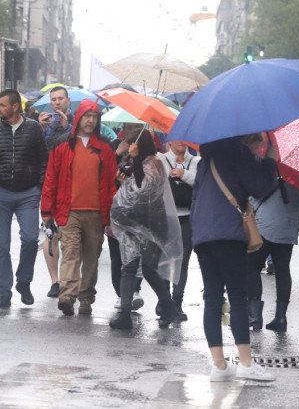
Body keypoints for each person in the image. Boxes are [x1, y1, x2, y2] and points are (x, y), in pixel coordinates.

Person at [191, 133, 279, 383]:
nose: (259, 146)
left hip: (203, 236)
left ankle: (219, 366)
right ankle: (246, 363)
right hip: (229, 233)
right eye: (258, 142)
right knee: (238, 298)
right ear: (247, 138)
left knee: (212, 298)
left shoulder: (205, 160)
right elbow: (260, 188)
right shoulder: (237, 153)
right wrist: (269, 161)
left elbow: (196, 198)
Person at [41, 99, 115, 316]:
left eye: (95, 117)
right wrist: (47, 211)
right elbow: (51, 179)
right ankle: (67, 295)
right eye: (87, 116)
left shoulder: (105, 148)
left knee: (91, 258)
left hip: (97, 213)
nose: (91, 121)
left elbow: (111, 183)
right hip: (69, 211)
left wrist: (111, 215)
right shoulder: (62, 146)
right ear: (80, 117)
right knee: (70, 253)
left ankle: (86, 298)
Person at [0, 88, 49, 308]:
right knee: (1, 244)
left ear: (15, 107)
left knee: (30, 239)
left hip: (28, 193)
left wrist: (38, 186)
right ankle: (4, 291)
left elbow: (43, 159)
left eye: (2, 105)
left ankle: (24, 281)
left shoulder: (34, 128)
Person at [109, 128, 183, 329]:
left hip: (152, 224)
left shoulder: (154, 163)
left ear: (139, 144)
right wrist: (123, 165)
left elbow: (144, 190)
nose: (128, 146)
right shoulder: (134, 161)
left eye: (131, 143)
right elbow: (122, 186)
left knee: (150, 269)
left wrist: (135, 161)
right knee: (129, 266)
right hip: (130, 223)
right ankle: (125, 313)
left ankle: (168, 305)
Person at [246, 175, 299, 332]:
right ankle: (281, 318)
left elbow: (254, 198)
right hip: (288, 228)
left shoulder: (267, 173)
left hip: (265, 226)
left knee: (252, 266)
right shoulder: (298, 178)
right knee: (283, 269)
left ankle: (254, 316)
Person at [38, 86, 73, 299]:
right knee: (50, 233)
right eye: (54, 99)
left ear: (68, 100)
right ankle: (55, 281)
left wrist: (67, 128)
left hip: (71, 186)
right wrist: (40, 130)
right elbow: (39, 153)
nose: (57, 103)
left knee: (70, 237)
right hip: (49, 185)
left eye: (60, 98)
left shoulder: (77, 123)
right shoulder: (45, 125)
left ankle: (69, 279)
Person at [157, 140, 198, 321]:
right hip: (165, 217)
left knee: (182, 262)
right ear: (170, 141)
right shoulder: (160, 159)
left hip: (187, 218)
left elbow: (199, 183)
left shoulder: (195, 161)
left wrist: (183, 174)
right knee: (165, 260)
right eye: (177, 137)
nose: (181, 141)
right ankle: (164, 301)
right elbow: (155, 183)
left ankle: (177, 302)